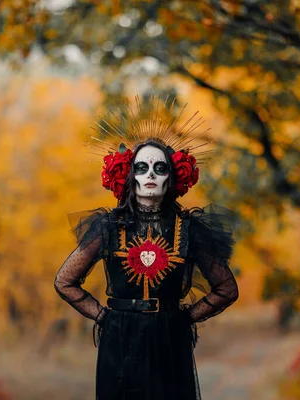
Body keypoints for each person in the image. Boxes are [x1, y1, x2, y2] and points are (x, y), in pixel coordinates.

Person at [54, 97, 239, 400]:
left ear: (171, 178)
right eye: (141, 167)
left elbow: (227, 289)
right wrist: (104, 316)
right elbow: (64, 281)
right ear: (131, 177)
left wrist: (187, 317)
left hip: (170, 335)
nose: (150, 174)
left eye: (159, 168)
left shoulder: (190, 229)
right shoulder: (108, 227)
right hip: (119, 335)